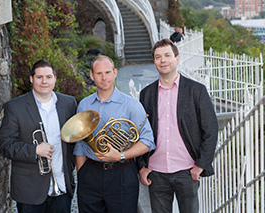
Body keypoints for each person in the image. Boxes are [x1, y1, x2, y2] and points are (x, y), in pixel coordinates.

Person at [137, 39, 218, 213]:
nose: (163, 60)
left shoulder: (196, 90)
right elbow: (139, 132)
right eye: (158, 57)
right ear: (154, 62)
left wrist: (201, 164)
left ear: (177, 59)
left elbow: (210, 129)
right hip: (156, 172)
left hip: (187, 170)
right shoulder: (146, 94)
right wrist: (142, 166)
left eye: (167, 55)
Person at [73, 55, 156, 213]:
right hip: (91, 173)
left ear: (115, 72)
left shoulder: (132, 105)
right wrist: (82, 174)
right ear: (92, 76)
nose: (104, 78)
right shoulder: (84, 104)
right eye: (99, 73)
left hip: (122, 173)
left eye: (108, 72)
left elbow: (148, 141)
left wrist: (121, 156)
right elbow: (80, 143)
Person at [0, 59, 77, 213]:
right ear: (31, 79)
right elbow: (5, 145)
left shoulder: (68, 103)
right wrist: (34, 150)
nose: (44, 81)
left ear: (55, 79)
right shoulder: (15, 107)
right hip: (29, 191)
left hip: (62, 188)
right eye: (39, 77)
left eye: (48, 77)